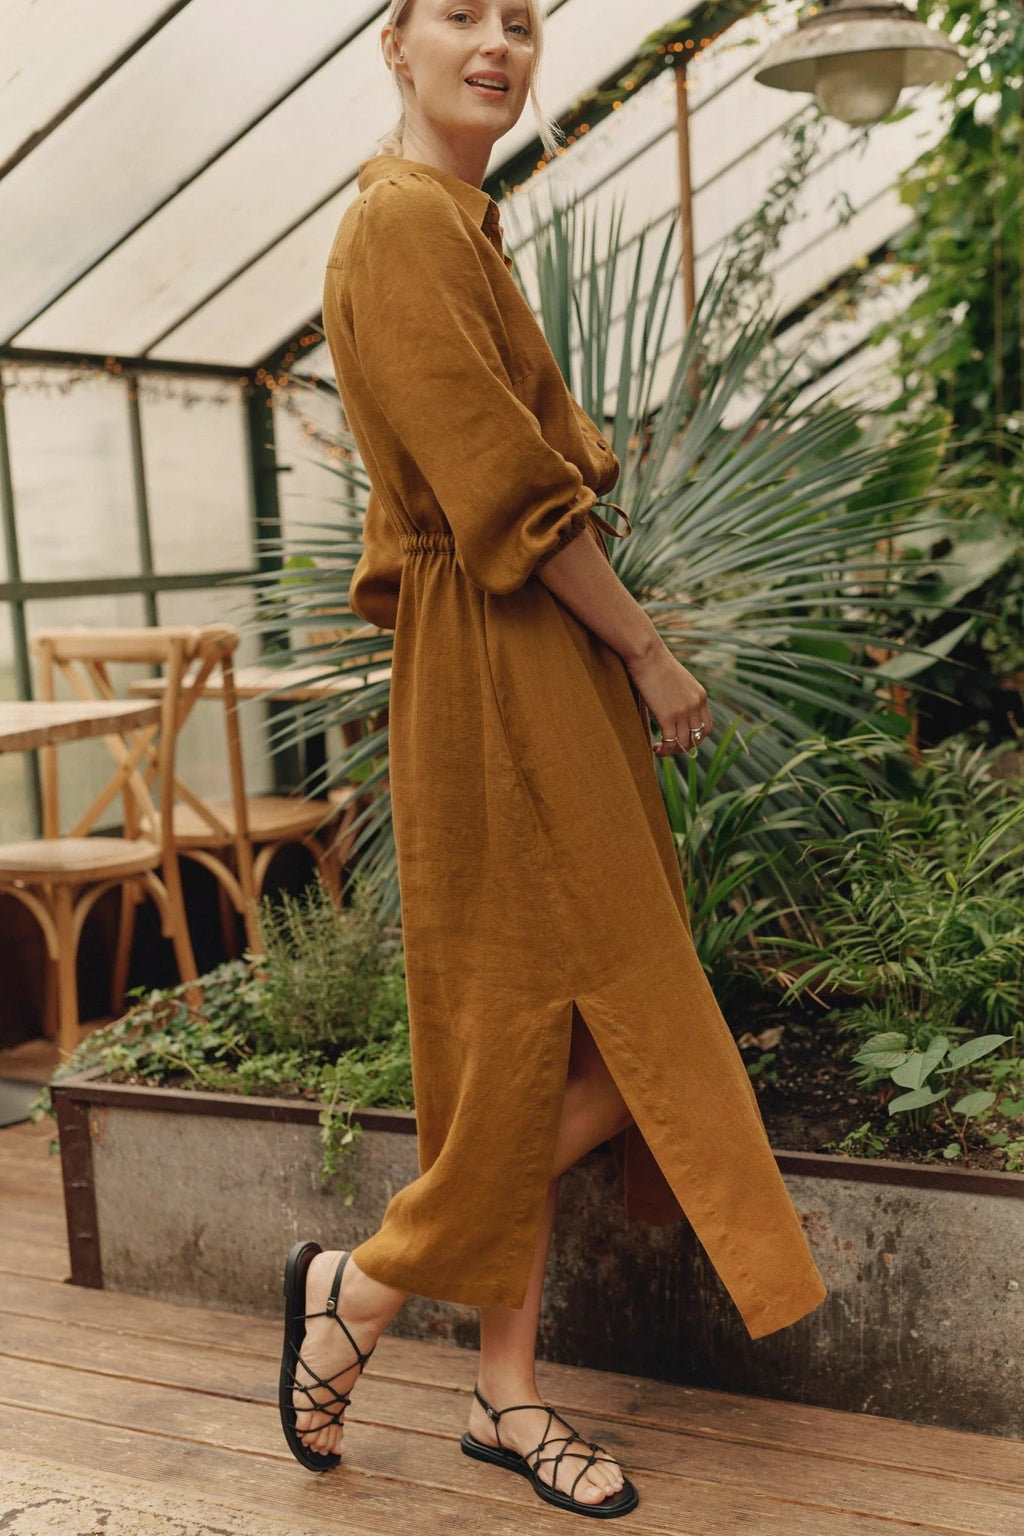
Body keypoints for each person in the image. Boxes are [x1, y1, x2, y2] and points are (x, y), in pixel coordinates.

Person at [278, 0, 827, 1518]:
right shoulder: (399, 227)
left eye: (522, 17)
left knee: (557, 1037)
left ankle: (502, 1392)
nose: (501, 43)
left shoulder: (454, 218)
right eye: (463, 12)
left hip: (524, 658)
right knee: (613, 1024)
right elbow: (508, 493)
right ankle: (363, 1287)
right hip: (501, 658)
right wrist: (648, 650)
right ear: (394, 38)